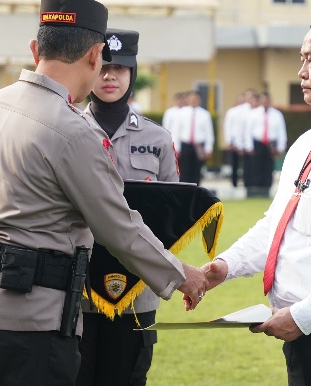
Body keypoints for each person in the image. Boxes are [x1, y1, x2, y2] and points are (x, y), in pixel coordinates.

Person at [0, 0, 208, 385]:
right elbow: (116, 225)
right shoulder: (72, 129)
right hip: (32, 323)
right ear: (95, 55)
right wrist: (182, 273)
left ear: (36, 49)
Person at [203, 14, 311, 385]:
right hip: (303, 331)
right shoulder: (308, 143)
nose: (301, 71)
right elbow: (278, 223)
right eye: (302, 59)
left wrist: (305, 315)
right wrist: (225, 266)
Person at [77, 29, 179, 386]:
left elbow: (172, 217)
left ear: (132, 75)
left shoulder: (158, 139)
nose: (109, 76)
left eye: (120, 69)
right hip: (77, 288)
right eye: (103, 67)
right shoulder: (67, 130)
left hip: (139, 291)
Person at [244, 92, 287, 197]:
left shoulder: (277, 114)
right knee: (255, 168)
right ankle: (254, 192)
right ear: (260, 101)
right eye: (263, 100)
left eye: (267, 100)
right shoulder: (253, 113)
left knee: (268, 168)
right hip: (257, 144)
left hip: (270, 145)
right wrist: (249, 146)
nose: (265, 102)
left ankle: (266, 191)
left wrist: (281, 146)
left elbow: (281, 131)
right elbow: (247, 131)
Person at [171, 91, 214, 185]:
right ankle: (184, 190)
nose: (194, 101)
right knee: (184, 169)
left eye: (196, 99)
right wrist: (176, 148)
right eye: (192, 99)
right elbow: (176, 131)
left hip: (199, 145)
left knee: (197, 170)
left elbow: (209, 132)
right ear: (187, 100)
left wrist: (208, 148)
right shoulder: (181, 113)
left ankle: (196, 189)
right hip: (185, 144)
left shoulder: (205, 114)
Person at [222, 93, 247, 188]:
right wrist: (229, 141)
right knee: (235, 165)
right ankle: (234, 184)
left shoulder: (249, 112)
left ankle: (246, 184)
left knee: (246, 166)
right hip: (234, 143)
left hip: (245, 143)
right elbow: (228, 126)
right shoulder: (232, 112)